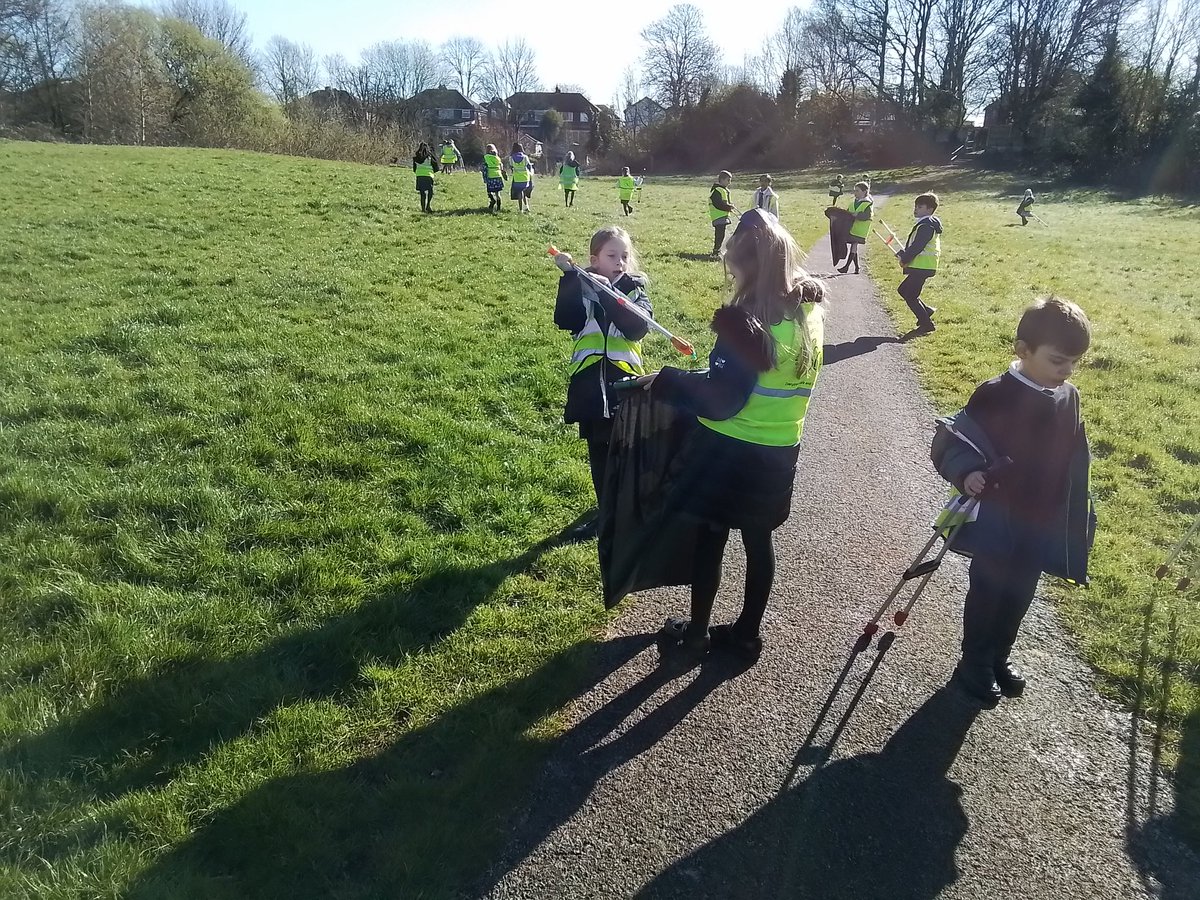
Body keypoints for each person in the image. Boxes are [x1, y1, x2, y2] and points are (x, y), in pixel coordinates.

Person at [636, 209, 827, 661]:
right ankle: (746, 634)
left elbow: (721, 401)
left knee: (712, 537)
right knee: (759, 541)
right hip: (780, 450)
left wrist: (667, 379)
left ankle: (697, 633)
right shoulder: (809, 309)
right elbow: (764, 380)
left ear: (745, 266)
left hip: (728, 452)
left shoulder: (743, 322)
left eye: (732, 266)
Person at [930, 297, 1095, 705]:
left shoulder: (1068, 397)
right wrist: (967, 472)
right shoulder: (994, 394)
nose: (1067, 371)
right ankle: (973, 665)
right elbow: (957, 440)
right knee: (989, 590)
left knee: (1020, 592)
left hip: (1040, 521)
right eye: (1058, 360)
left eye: (1073, 362)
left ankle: (998, 656)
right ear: (1023, 351)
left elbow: (1075, 456)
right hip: (997, 520)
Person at [553, 226, 653, 537]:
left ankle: (624, 509)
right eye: (612, 256)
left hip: (625, 385)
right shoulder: (582, 287)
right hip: (590, 388)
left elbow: (636, 327)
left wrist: (607, 293)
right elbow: (565, 319)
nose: (620, 261)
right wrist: (571, 278)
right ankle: (606, 513)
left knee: (622, 453)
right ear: (594, 259)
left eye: (625, 256)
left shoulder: (636, 290)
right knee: (599, 451)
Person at [896, 192, 943, 332]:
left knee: (910, 295)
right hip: (922, 265)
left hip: (923, 266)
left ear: (929, 209)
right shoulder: (925, 223)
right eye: (915, 206)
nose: (915, 209)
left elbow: (918, 246)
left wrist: (904, 259)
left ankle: (927, 324)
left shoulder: (926, 225)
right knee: (904, 290)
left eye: (920, 206)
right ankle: (926, 311)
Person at [838, 181, 872, 274]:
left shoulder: (868, 204)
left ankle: (847, 267)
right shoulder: (853, 203)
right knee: (854, 247)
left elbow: (867, 216)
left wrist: (857, 214)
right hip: (851, 228)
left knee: (854, 246)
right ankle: (857, 267)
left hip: (860, 230)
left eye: (857, 191)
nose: (855, 193)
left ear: (864, 191)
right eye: (855, 191)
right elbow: (848, 213)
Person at [709, 170, 736, 258]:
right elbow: (718, 204)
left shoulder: (722, 190)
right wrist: (728, 207)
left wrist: (729, 206)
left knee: (721, 234)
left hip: (722, 215)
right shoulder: (717, 191)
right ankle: (716, 252)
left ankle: (717, 250)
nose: (729, 182)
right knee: (719, 235)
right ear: (721, 179)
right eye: (728, 180)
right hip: (718, 216)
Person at [412, 142, 439, 213]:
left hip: (419, 176)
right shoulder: (430, 157)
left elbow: (414, 169)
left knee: (422, 193)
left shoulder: (416, 157)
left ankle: (423, 208)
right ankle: (428, 205)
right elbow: (436, 167)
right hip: (429, 175)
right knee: (430, 191)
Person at [481, 143, 506, 212]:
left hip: (490, 176)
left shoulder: (486, 157)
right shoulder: (498, 158)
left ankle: (492, 200)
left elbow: (484, 167)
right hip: (498, 176)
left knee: (489, 191)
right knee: (497, 193)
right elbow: (501, 166)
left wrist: (484, 177)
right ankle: (498, 207)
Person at [510, 142, 533, 213]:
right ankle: (527, 207)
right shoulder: (525, 157)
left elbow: (511, 167)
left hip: (517, 177)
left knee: (519, 193)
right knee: (523, 192)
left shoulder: (511, 158)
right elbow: (529, 166)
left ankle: (521, 210)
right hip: (525, 177)